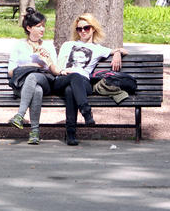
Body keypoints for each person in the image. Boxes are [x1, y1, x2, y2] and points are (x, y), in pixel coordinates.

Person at [53, 13, 127, 146]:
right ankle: (86, 112)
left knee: (71, 90)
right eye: (79, 29)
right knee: (74, 76)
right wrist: (63, 71)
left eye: (86, 28)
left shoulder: (98, 49)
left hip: (83, 84)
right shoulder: (68, 45)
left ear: (93, 29)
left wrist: (117, 53)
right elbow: (59, 64)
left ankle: (71, 133)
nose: (82, 31)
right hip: (63, 79)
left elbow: (123, 50)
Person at [7, 8, 61, 144]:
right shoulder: (19, 46)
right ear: (29, 28)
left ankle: (20, 115)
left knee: (33, 78)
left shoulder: (48, 46)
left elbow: (56, 71)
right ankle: (35, 132)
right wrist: (31, 66)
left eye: (43, 26)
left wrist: (47, 60)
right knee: (36, 90)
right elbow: (11, 71)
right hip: (22, 84)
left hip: (45, 80)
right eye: (38, 26)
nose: (42, 29)